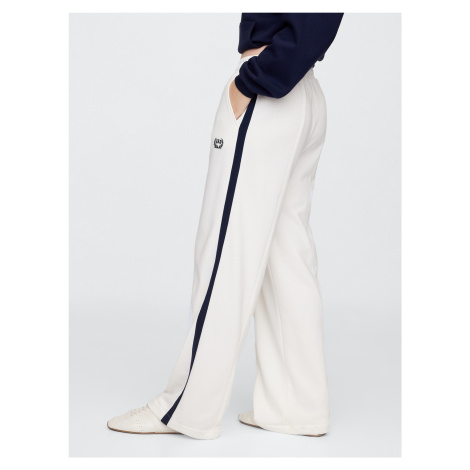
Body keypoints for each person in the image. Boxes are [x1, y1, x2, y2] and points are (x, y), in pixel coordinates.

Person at [107, 12, 344, 440]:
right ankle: (296, 406)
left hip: (268, 92)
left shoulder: (262, 80)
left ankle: (184, 410)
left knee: (224, 252)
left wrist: (248, 82)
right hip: (302, 90)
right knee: (286, 255)